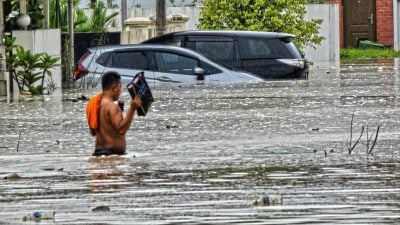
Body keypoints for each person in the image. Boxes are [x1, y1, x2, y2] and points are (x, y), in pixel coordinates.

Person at [88, 71, 142, 156]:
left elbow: (93, 132)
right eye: (120, 88)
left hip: (98, 153)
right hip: (112, 156)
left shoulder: (94, 104)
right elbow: (121, 130)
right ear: (114, 88)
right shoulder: (112, 106)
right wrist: (132, 109)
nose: (120, 91)